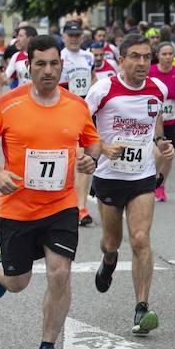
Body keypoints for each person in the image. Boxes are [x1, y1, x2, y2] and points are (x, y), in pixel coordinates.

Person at [0, 35, 102, 349]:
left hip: (61, 206)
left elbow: (93, 145)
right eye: (40, 64)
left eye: (54, 63)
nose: (48, 70)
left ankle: (48, 347)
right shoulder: (8, 104)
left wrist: (90, 162)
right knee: (17, 282)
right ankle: (0, 270)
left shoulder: (76, 106)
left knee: (60, 274)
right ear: (28, 67)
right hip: (17, 208)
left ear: (62, 65)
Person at [86, 33, 175, 336]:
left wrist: (162, 142)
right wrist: (102, 147)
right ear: (121, 60)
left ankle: (141, 307)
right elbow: (81, 126)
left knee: (140, 239)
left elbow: (155, 119)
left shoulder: (158, 89)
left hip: (141, 175)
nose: (141, 63)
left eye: (146, 57)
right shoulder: (103, 89)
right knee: (112, 242)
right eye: (134, 57)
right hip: (109, 176)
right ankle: (109, 261)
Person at [60, 21, 97, 227]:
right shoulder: (59, 57)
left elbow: (92, 80)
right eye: (70, 35)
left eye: (77, 35)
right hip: (63, 112)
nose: (74, 38)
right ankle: (66, 203)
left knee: (83, 158)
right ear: (64, 36)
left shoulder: (88, 56)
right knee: (68, 160)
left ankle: (81, 208)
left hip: (84, 113)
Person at [149, 41, 175, 202]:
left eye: (170, 54)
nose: (167, 57)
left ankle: (160, 185)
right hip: (152, 119)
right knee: (158, 153)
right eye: (164, 54)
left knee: (169, 155)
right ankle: (150, 181)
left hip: (172, 120)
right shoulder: (150, 72)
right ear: (158, 56)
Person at [4, 25, 37, 91]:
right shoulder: (16, 56)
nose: (17, 39)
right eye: (17, 36)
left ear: (30, 38)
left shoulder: (43, 55)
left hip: (41, 98)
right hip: (23, 97)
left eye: (20, 36)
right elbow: (7, 79)